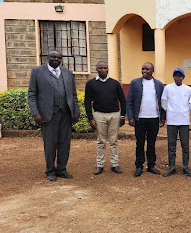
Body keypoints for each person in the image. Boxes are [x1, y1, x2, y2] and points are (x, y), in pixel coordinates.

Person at [28, 50, 79, 181]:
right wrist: (36, 113)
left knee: (65, 143)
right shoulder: (37, 72)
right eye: (53, 57)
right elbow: (32, 95)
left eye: (59, 57)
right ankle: (50, 170)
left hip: (66, 114)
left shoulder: (67, 73)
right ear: (48, 58)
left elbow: (73, 95)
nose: (56, 59)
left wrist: (75, 111)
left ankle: (62, 169)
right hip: (47, 115)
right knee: (50, 144)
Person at [85, 61, 127, 175]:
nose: (103, 70)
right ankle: (100, 165)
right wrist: (91, 119)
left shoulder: (115, 83)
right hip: (99, 115)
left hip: (114, 115)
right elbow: (87, 102)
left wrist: (123, 115)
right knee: (101, 141)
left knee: (114, 141)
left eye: (105, 68)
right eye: (101, 68)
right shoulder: (91, 84)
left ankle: (114, 164)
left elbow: (123, 100)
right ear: (97, 69)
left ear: (108, 69)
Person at [126, 62, 166, 177]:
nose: (144, 71)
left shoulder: (158, 84)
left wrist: (162, 117)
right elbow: (130, 101)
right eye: (142, 69)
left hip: (154, 118)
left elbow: (162, 102)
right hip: (140, 119)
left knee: (152, 143)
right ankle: (139, 166)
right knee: (140, 143)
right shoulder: (135, 83)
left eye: (147, 69)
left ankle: (151, 165)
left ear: (152, 70)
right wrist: (131, 117)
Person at [161, 68, 191, 177]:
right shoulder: (168, 88)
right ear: (173, 77)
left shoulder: (188, 89)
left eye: (180, 76)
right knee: (171, 145)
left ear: (183, 78)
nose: (178, 78)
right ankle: (172, 167)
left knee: (185, 145)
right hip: (172, 121)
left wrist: (184, 111)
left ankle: (185, 167)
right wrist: (170, 111)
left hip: (184, 121)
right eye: (176, 76)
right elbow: (164, 102)